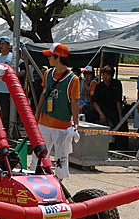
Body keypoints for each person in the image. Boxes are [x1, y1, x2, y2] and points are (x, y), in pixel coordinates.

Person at [32, 43, 80, 180]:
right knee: (39, 154)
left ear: (57, 57)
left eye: (50, 56)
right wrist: (37, 112)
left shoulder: (73, 79)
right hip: (44, 122)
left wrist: (76, 123)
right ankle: (36, 179)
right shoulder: (47, 74)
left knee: (61, 158)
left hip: (62, 125)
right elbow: (44, 93)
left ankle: (59, 183)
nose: (48, 59)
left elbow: (74, 102)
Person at [89, 65, 127, 150]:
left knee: (122, 123)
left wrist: (121, 115)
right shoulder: (99, 86)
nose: (105, 77)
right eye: (103, 75)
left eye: (107, 75)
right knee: (89, 115)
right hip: (101, 109)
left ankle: (121, 147)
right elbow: (94, 102)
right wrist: (101, 114)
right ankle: (91, 140)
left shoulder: (117, 84)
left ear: (112, 76)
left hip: (113, 109)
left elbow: (118, 101)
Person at [0, 36, 17, 130]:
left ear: (8, 45)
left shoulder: (12, 57)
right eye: (0, 44)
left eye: (3, 44)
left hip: (6, 90)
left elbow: (18, 71)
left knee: (5, 114)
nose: (1, 46)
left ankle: (6, 132)